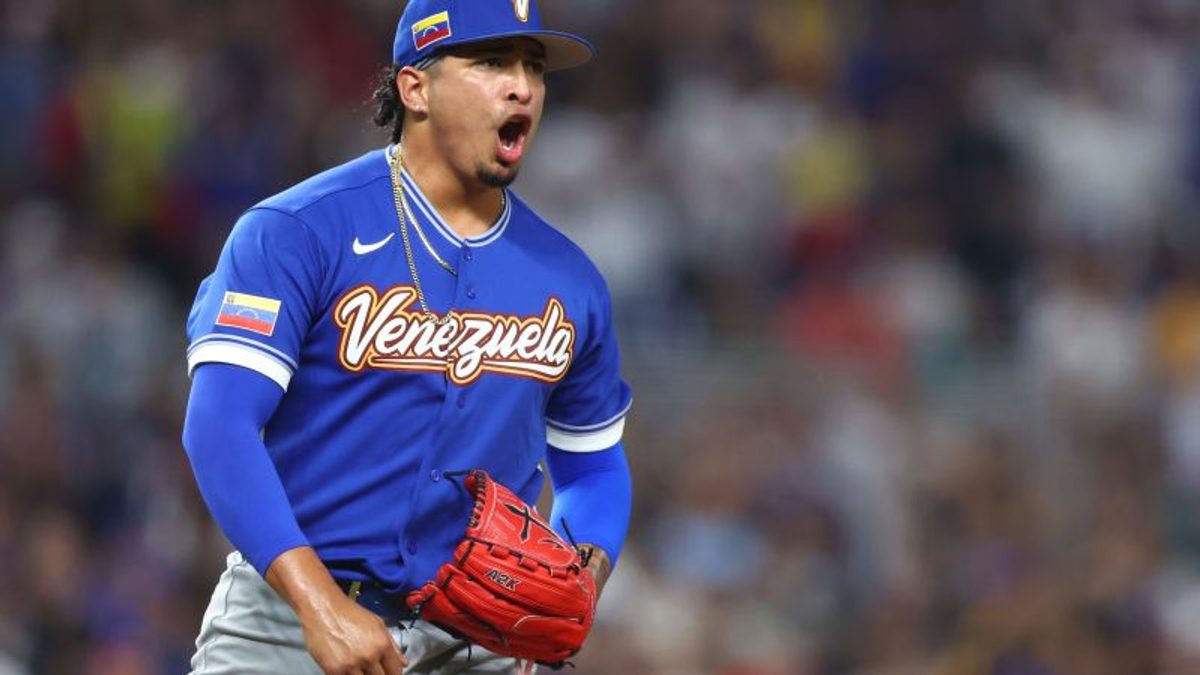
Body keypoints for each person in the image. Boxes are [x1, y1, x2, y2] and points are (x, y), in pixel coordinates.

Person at [180, 1, 633, 673]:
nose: (523, 87)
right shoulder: (299, 230)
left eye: (533, 67)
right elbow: (218, 425)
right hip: (289, 620)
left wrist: (582, 567)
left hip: (475, 640)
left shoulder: (569, 279)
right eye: (491, 62)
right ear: (414, 87)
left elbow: (593, 463)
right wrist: (317, 604)